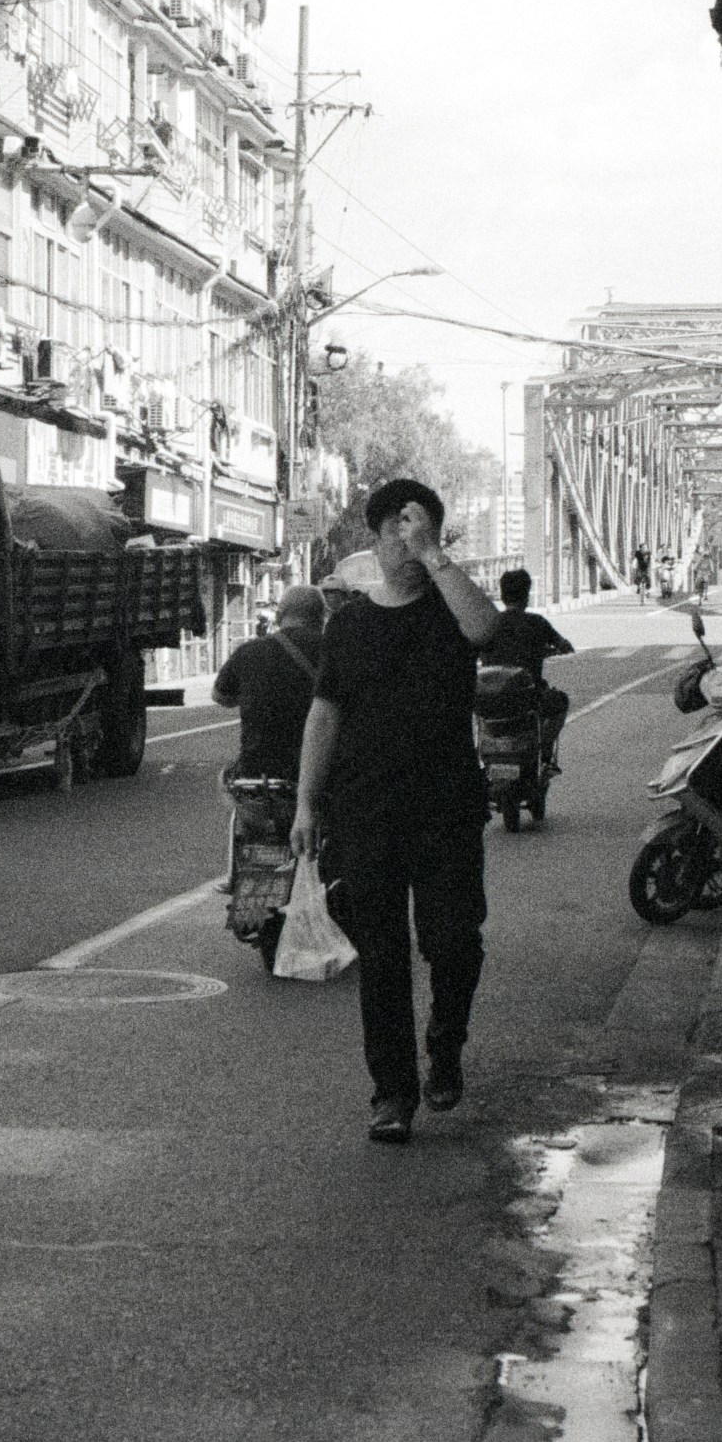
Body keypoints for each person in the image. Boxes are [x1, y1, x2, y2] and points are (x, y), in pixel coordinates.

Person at [292, 478, 501, 1144]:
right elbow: (324, 715)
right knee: (381, 956)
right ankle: (392, 1093)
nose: (406, 545)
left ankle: (446, 1044)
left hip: (446, 809)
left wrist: (435, 556)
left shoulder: (451, 609)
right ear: (375, 540)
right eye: (396, 533)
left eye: (419, 532)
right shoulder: (350, 624)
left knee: (453, 941)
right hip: (365, 813)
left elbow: (485, 627)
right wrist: (304, 803)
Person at [212, 584, 327, 782]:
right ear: (321, 617)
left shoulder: (249, 651)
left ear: (279, 615)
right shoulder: (335, 651)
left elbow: (220, 697)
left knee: (227, 778)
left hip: (258, 771)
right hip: (320, 770)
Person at [480, 567, 574, 769]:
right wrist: (555, 649)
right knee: (560, 702)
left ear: (502, 596)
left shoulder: (488, 623)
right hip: (529, 699)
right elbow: (564, 645)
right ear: (526, 596)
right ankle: (544, 751)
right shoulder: (537, 623)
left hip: (490, 700)